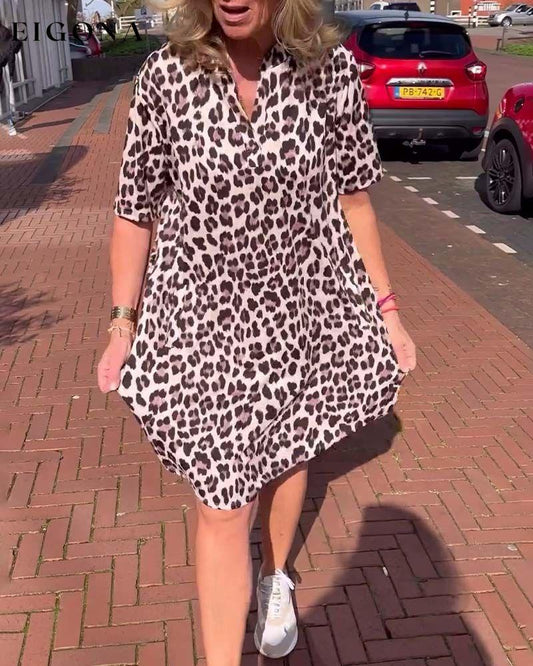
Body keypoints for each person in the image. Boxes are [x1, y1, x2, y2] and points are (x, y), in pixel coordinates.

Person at [97, 1, 417, 664]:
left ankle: (274, 576)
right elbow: (134, 210)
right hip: (199, 323)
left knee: (289, 452)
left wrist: (387, 310)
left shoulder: (328, 72)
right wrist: (121, 324)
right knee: (221, 505)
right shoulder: (166, 75)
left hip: (299, 313)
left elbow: (354, 200)